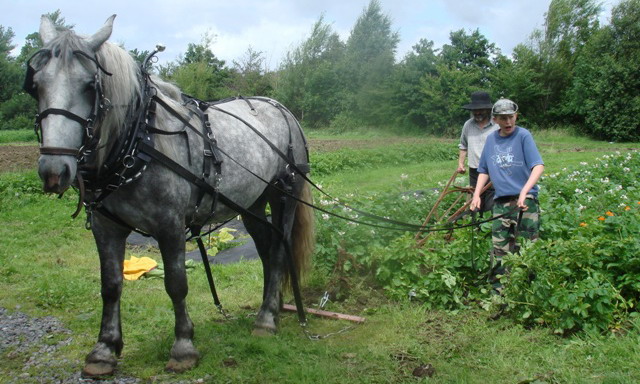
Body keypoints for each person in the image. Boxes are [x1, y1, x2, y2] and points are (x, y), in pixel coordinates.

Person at [469, 98, 544, 292]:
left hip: (525, 202)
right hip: (501, 202)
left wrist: (525, 192)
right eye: (503, 118)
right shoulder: (491, 140)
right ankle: (499, 291)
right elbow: (483, 169)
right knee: (500, 247)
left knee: (526, 247)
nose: (508, 122)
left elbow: (538, 166)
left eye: (511, 117)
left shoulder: (523, 136)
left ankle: (527, 291)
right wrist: (476, 195)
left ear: (516, 116)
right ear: (495, 120)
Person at [457, 91, 499, 213]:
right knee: (476, 198)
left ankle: (489, 224)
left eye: (480, 109)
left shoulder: (496, 125)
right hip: (475, 169)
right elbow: (463, 145)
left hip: (493, 169)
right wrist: (461, 163)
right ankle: (476, 227)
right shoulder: (468, 125)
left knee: (491, 199)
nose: (477, 112)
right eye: (475, 110)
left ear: (488, 110)